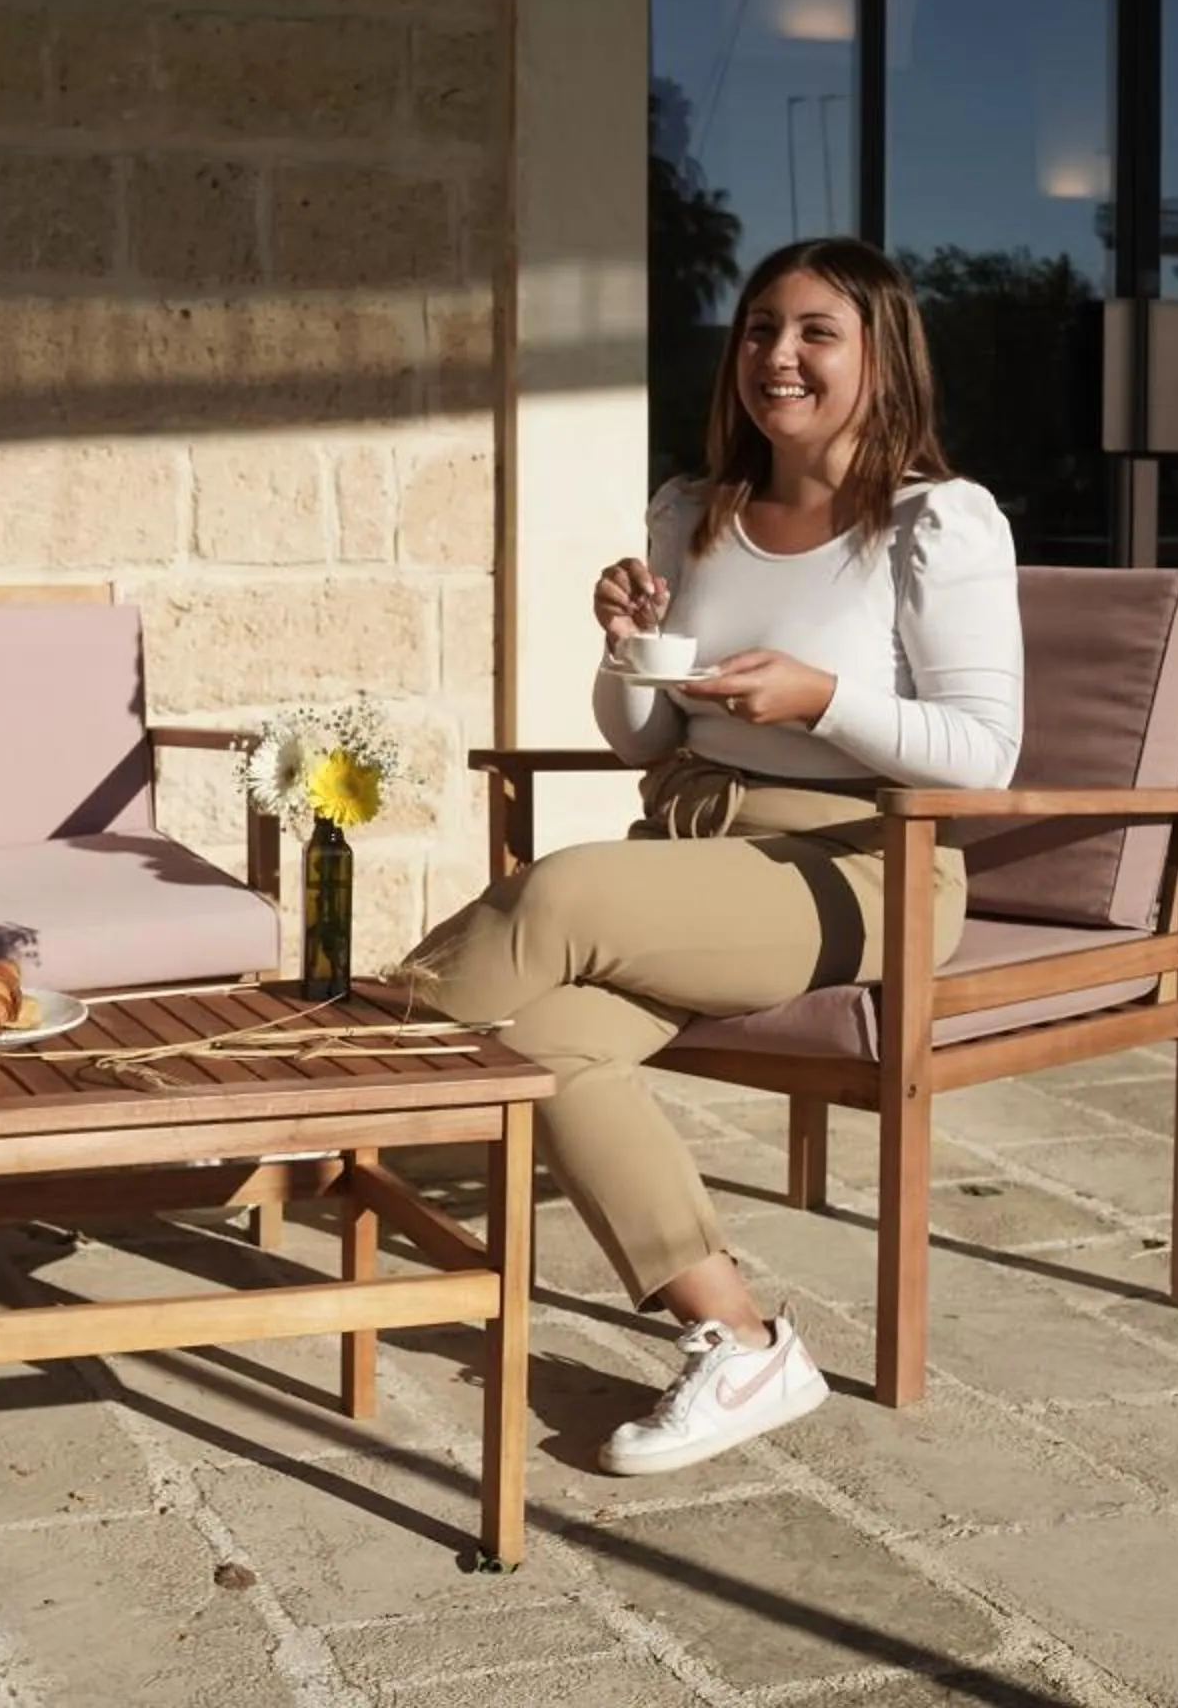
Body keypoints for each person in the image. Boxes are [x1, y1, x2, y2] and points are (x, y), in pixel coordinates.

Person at [404, 236, 1023, 1476]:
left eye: (814, 333)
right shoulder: (699, 511)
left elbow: (985, 756)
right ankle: (741, 1343)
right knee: (544, 1047)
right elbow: (650, 736)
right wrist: (627, 647)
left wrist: (824, 699)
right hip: (697, 845)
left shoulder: (934, 522)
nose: (777, 356)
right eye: (757, 329)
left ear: (880, 352)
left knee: (568, 889)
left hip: (864, 867)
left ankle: (307, 1095)